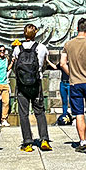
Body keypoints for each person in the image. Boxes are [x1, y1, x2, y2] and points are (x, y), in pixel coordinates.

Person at [60, 18, 86, 153]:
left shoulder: (68, 44)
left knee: (79, 113)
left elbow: (62, 63)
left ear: (77, 29)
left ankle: (83, 142)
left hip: (75, 82)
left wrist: (72, 73)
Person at [12, 24, 52, 152]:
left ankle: (27, 142)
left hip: (22, 85)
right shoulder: (42, 48)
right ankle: (44, 139)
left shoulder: (17, 49)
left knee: (23, 114)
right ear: (35, 34)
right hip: (36, 84)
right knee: (39, 112)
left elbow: (14, 66)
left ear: (24, 34)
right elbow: (44, 64)